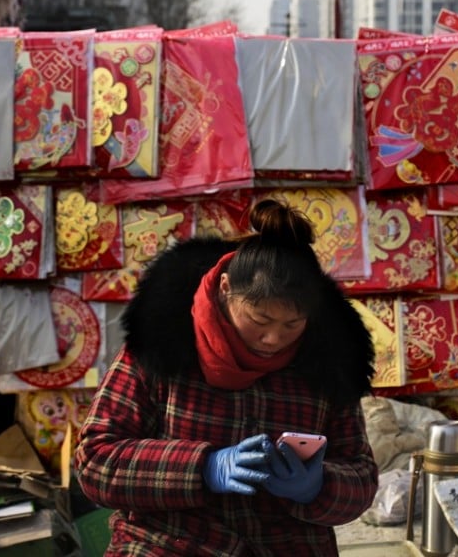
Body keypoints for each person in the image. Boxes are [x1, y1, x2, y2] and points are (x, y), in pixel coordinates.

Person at [74, 199, 378, 555]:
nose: (273, 339)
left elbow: (361, 476)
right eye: (260, 320)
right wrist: (203, 467)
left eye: (292, 325)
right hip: (167, 544)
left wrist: (319, 485)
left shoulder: (329, 364)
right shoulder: (160, 345)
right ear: (224, 290)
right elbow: (95, 462)